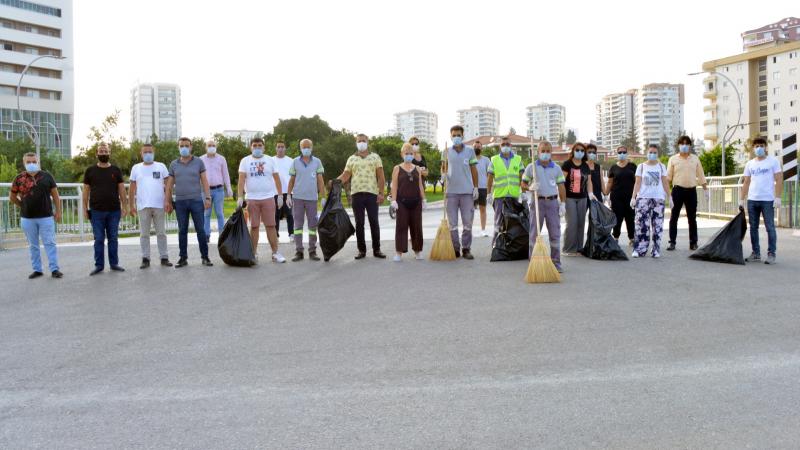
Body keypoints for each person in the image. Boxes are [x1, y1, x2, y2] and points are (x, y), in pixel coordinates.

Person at [10, 152, 63, 279]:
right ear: (24, 163)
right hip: (27, 218)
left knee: (50, 243)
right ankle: (37, 269)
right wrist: (22, 205)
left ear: (38, 162)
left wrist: (58, 211)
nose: (31, 164)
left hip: (46, 216)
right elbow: (12, 197)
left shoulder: (47, 176)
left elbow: (56, 195)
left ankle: (54, 269)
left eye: (34, 161)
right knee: (33, 245)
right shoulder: (18, 179)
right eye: (28, 162)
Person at [337, 134, 387, 259]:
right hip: (357, 194)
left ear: (367, 142)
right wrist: (335, 182)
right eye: (359, 141)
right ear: (356, 143)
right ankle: (362, 250)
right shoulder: (351, 159)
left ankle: (377, 249)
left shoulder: (375, 157)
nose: (361, 143)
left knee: (374, 222)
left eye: (364, 141)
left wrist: (381, 193)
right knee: (359, 223)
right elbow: (346, 175)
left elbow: (381, 176)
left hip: (372, 194)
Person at [166, 137, 214, 268]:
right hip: (180, 202)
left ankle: (205, 257)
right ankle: (183, 258)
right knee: (182, 230)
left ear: (191, 147)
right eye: (181, 146)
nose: (184, 148)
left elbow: (204, 181)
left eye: (186, 145)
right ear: (178, 147)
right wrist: (168, 201)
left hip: (196, 201)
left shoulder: (199, 162)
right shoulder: (173, 164)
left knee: (201, 230)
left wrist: (208, 198)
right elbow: (169, 185)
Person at [237, 137, 286, 263]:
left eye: (260, 145)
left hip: (268, 197)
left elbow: (276, 178)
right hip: (252, 199)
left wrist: (280, 195)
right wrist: (239, 196)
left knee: (271, 225)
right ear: (251, 147)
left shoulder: (269, 160)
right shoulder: (245, 161)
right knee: (254, 226)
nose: (257, 148)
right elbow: (241, 179)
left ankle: (275, 253)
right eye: (255, 145)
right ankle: (253, 253)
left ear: (264, 147)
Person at [83, 142, 127, 275]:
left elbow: (121, 189)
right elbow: (85, 191)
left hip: (114, 210)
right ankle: (99, 266)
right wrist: (85, 208)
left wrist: (125, 206)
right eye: (101, 151)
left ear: (109, 153)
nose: (103, 153)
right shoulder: (90, 171)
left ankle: (114, 264)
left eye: (105, 151)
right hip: (96, 211)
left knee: (113, 238)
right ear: (96, 154)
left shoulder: (115, 170)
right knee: (99, 239)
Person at [521, 141, 566, 272]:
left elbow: (561, 186)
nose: (545, 154)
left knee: (555, 234)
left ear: (551, 152)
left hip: (552, 203)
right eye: (543, 151)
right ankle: (533, 262)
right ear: (538, 152)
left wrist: (563, 203)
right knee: (534, 233)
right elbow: (522, 184)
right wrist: (529, 187)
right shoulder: (532, 167)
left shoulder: (556, 168)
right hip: (537, 202)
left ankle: (556, 263)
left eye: (548, 151)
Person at [740, 137, 783, 265]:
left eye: (761, 145)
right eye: (756, 146)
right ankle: (756, 253)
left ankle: (771, 254)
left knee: (770, 227)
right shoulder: (750, 164)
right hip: (752, 200)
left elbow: (779, 179)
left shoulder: (773, 161)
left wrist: (778, 197)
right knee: (753, 228)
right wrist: (741, 199)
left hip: (767, 200)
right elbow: (746, 181)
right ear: (753, 149)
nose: (759, 148)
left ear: (765, 147)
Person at [129, 143, 172, 269]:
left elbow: (168, 186)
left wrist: (168, 201)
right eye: (145, 152)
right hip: (143, 206)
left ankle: (164, 257)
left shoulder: (161, 166)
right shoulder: (136, 168)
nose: (148, 154)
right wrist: (131, 205)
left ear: (154, 152)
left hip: (159, 205)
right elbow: (132, 189)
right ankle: (145, 258)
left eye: (150, 152)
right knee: (144, 234)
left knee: (161, 233)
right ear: (141, 154)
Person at [666, 135, 708, 251]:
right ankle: (672, 242)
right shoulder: (673, 159)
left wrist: (705, 189)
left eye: (687, 144)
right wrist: (666, 193)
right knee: (674, 217)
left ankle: (693, 242)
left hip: (691, 191)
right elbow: (668, 177)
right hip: (677, 190)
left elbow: (701, 175)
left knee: (692, 218)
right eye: (682, 144)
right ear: (679, 146)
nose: (684, 146)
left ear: (690, 146)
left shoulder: (695, 159)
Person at [443, 125, 479, 259]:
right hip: (451, 192)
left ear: (463, 136)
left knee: (467, 223)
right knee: (452, 224)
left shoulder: (470, 151)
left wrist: (475, 187)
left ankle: (466, 249)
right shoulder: (446, 151)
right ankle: (455, 249)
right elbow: (443, 168)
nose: (456, 137)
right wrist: (443, 176)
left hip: (467, 192)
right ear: (450, 136)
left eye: (459, 135)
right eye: (454, 135)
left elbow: (474, 170)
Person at [287, 139, 326, 262]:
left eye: (308, 147)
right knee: (297, 225)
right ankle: (299, 251)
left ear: (312, 147)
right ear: (300, 148)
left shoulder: (317, 162)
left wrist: (323, 197)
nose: (306, 149)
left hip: (312, 199)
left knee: (312, 226)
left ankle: (312, 251)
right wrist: (288, 195)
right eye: (304, 147)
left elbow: (320, 181)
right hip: (297, 198)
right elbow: (292, 180)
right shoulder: (294, 162)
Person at [630, 144, 670, 258]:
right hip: (643, 198)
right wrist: (633, 197)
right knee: (641, 224)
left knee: (657, 225)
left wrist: (670, 197)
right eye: (650, 152)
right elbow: (637, 182)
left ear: (658, 154)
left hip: (658, 199)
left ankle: (656, 250)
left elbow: (665, 182)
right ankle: (639, 249)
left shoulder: (662, 166)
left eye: (655, 152)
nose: (652, 154)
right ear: (647, 153)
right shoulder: (641, 166)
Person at [391, 143, 426, 262]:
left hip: (416, 202)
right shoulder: (397, 168)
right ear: (402, 154)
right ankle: (399, 252)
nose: (409, 155)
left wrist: (424, 199)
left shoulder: (417, 169)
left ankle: (418, 251)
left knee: (416, 227)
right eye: (406, 153)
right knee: (401, 226)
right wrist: (393, 200)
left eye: (411, 153)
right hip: (402, 203)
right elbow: (394, 185)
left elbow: (420, 185)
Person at [486, 136, 523, 244]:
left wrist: (523, 192)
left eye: (507, 144)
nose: (505, 146)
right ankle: (496, 244)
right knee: (498, 221)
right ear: (499, 146)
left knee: (513, 221)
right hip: (499, 197)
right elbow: (489, 178)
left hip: (513, 196)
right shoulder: (494, 160)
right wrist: (488, 193)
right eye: (503, 144)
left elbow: (522, 177)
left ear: (511, 146)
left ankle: (512, 244)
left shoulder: (518, 159)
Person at [561, 142, 596, 255]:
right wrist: (561, 199)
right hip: (569, 198)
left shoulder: (585, 165)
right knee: (572, 223)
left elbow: (589, 181)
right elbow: (561, 182)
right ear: (573, 151)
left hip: (583, 198)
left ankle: (578, 248)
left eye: (582, 150)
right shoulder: (567, 164)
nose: (580, 152)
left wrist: (590, 193)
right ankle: (568, 249)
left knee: (581, 223)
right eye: (577, 150)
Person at [200, 140, 233, 244]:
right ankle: (206, 235)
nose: (211, 147)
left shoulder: (221, 159)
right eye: (209, 145)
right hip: (205, 191)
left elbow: (226, 174)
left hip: (219, 190)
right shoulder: (201, 159)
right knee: (206, 213)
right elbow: (198, 175)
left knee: (220, 213)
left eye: (213, 145)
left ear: (216, 147)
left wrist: (229, 188)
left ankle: (222, 235)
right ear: (206, 147)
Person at [605, 146, 637, 246]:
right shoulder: (613, 168)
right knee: (617, 219)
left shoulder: (632, 166)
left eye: (623, 152)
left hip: (630, 198)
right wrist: (606, 194)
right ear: (617, 154)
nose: (621, 154)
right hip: (616, 197)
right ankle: (616, 237)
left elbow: (638, 181)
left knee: (630, 218)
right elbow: (610, 182)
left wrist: (637, 195)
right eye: (619, 152)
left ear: (627, 154)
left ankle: (632, 238)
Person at [272, 140, 294, 240]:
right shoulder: (271, 160)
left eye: (282, 147)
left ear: (285, 148)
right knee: (276, 214)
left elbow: (294, 177)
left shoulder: (291, 160)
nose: (280, 149)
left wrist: (291, 192)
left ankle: (291, 234)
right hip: (275, 192)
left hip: (288, 192)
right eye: (278, 147)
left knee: (289, 214)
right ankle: (275, 234)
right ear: (276, 148)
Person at [473, 141, 492, 237]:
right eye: (475, 146)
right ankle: (468, 230)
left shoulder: (486, 160)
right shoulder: (469, 159)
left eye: (479, 146)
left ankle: (483, 229)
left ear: (482, 148)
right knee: (469, 210)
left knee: (482, 209)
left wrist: (490, 190)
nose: (477, 148)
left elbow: (490, 174)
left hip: (483, 187)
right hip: (471, 188)